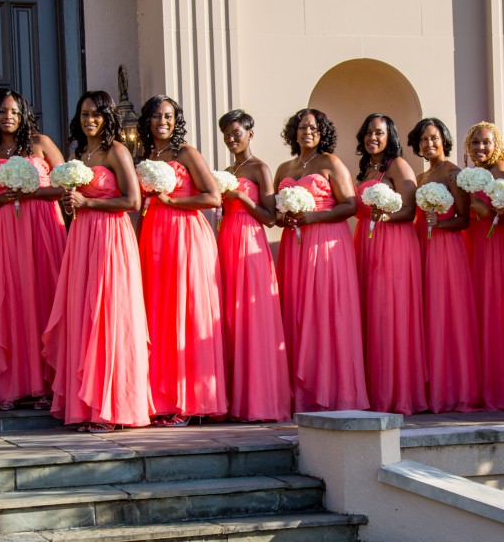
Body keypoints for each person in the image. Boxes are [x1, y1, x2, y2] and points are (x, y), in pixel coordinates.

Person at [42, 91, 152, 431]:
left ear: (107, 117)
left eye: (96, 114)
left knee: (107, 314)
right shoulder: (78, 154)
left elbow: (132, 201)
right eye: (85, 113)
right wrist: (71, 202)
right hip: (82, 238)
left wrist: (88, 203)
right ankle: (86, 403)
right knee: (84, 313)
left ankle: (112, 406)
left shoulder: (116, 151)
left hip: (110, 237)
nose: (90, 119)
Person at [0, 90, 67, 411]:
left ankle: (48, 384)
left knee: (43, 297)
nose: (7, 116)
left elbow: (65, 186)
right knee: (9, 301)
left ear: (24, 114)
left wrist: (32, 191)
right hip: (3, 234)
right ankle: (10, 385)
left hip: (42, 229)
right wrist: (6, 197)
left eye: (13, 111)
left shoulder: (41, 143)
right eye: (1, 111)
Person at [137, 94, 227, 426]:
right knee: (159, 314)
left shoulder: (186, 153)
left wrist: (172, 201)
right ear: (147, 120)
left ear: (176, 121)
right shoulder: (145, 156)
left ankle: (190, 402)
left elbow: (213, 197)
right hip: (153, 236)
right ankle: (162, 398)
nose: (162, 121)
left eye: (168, 116)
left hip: (186, 235)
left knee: (186, 314)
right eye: (156, 115)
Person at [275, 108, 368, 412]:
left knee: (324, 311)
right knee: (297, 310)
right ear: (294, 132)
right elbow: (275, 210)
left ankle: (333, 392)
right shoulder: (285, 167)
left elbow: (351, 205)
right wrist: (285, 217)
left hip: (326, 244)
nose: (307, 132)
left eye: (313, 128)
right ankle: (299, 393)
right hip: (294, 245)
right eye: (302, 127)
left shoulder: (331, 163)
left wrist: (314, 216)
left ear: (322, 132)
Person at [217, 109, 291, 422]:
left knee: (251, 316)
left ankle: (259, 401)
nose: (231, 138)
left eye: (237, 132)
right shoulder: (226, 170)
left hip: (250, 242)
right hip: (226, 240)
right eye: (227, 134)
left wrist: (242, 198)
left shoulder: (260, 168)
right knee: (230, 318)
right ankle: (234, 398)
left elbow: (271, 218)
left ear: (250, 133)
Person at [352, 113, 427, 416]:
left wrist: (385, 216)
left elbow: (410, 211)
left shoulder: (398, 165)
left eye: (379, 133)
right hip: (367, 242)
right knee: (372, 312)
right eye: (369, 132)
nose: (373, 137)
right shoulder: (366, 168)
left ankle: (397, 392)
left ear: (390, 136)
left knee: (390, 313)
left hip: (394, 243)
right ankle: (374, 390)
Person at [408, 117, 480, 413]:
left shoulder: (453, 173)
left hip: (446, 249)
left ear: (444, 140)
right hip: (423, 246)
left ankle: (452, 390)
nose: (428, 144)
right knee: (427, 313)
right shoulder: (422, 176)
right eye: (423, 139)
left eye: (433, 138)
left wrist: (440, 224)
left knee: (446, 312)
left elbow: (464, 219)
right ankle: (429, 387)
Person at [462, 122, 504, 410]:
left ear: (496, 145)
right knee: (480, 311)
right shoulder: (472, 174)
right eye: (475, 142)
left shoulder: (503, 171)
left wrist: (488, 211)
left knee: (498, 312)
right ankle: (484, 385)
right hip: (476, 244)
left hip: (498, 245)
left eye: (486, 142)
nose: (480, 147)